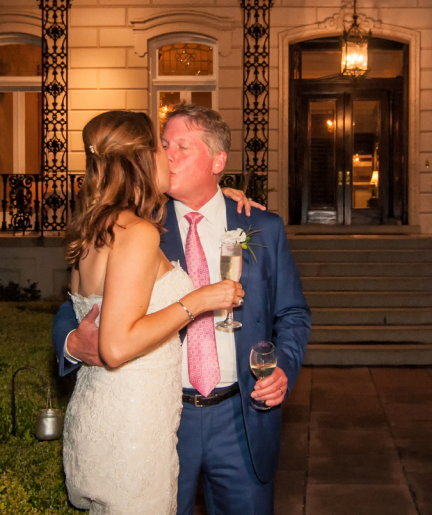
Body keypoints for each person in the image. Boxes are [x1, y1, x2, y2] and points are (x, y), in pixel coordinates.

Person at [54, 104, 311, 515]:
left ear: (218, 161)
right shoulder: (143, 225)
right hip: (164, 419)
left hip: (240, 417)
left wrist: (283, 369)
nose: (168, 155)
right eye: (164, 145)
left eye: (182, 147)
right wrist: (71, 341)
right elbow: (78, 307)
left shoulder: (261, 226)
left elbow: (293, 314)